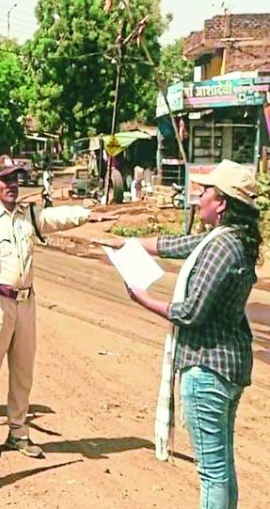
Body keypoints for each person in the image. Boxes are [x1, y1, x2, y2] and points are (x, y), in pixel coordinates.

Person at [97, 160, 260, 509]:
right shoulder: (229, 239)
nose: (198, 197)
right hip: (227, 366)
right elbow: (178, 244)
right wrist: (125, 243)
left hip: (207, 368)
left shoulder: (221, 247)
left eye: (206, 192)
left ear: (222, 203)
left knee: (212, 473)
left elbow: (190, 312)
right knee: (222, 467)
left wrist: (143, 298)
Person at [0, 155, 117, 461]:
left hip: (26, 302)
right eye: (6, 179)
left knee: (23, 370)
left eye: (16, 179)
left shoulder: (29, 215)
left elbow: (57, 218)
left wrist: (88, 215)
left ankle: (18, 433)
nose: (12, 185)